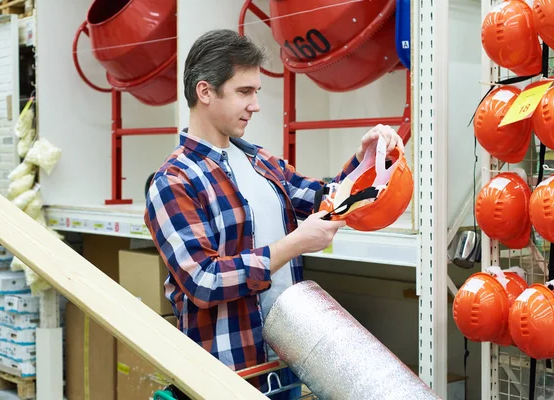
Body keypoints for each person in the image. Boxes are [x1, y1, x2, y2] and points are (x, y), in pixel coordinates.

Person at [144, 29, 404, 399]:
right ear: (205, 92)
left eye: (256, 92)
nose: (256, 104)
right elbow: (204, 281)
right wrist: (295, 243)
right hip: (228, 373)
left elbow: (325, 200)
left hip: (284, 366)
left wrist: (367, 161)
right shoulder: (173, 182)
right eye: (244, 92)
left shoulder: (259, 160)